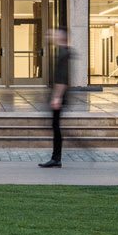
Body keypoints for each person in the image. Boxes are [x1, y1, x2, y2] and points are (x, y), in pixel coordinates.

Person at [39, 26, 70, 168]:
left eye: (55, 35)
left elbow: (62, 79)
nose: (53, 37)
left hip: (59, 97)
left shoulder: (64, 53)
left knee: (56, 126)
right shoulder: (62, 52)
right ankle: (56, 157)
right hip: (59, 96)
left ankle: (56, 158)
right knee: (55, 125)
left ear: (62, 36)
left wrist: (57, 97)